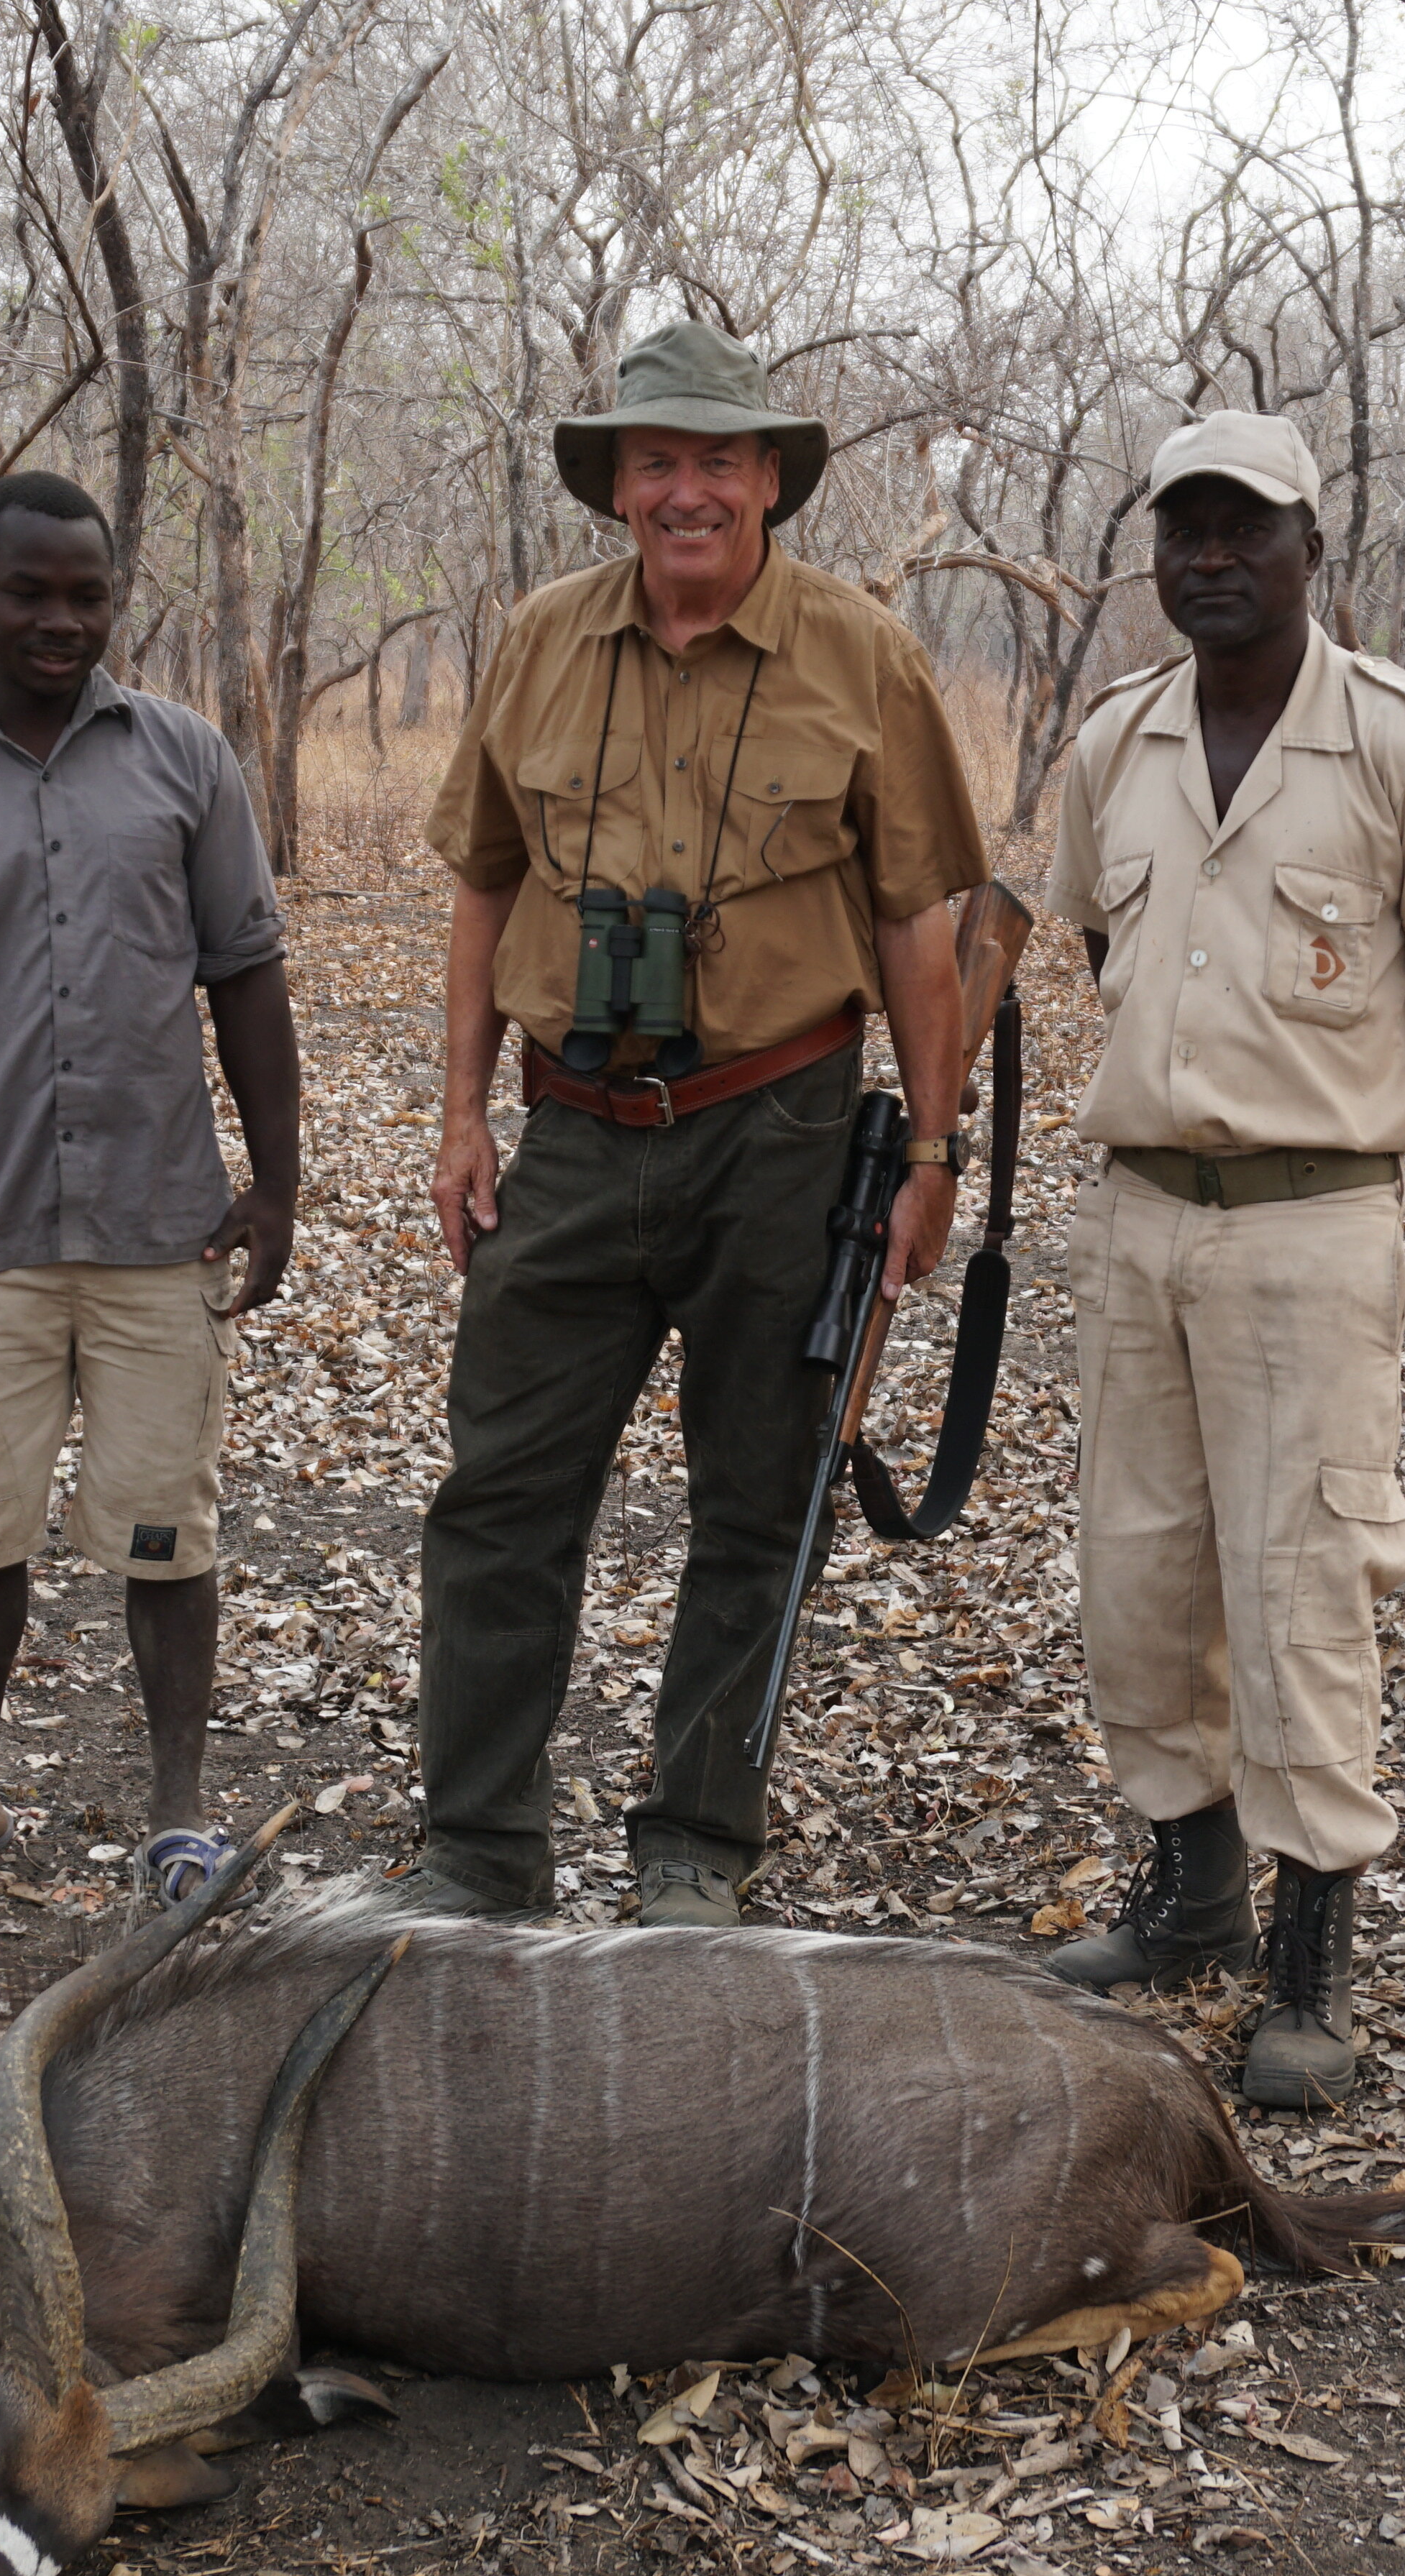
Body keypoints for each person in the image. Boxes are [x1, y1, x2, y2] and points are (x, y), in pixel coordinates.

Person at [410, 318, 990, 1926]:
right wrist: (460, 1111)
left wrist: (932, 1155)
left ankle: (695, 1845)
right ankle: (477, 1849)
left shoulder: (862, 653)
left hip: (780, 1130)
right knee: (502, 1494)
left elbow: (921, 922)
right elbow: (480, 880)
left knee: (760, 1494)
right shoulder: (537, 640)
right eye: (657, 461)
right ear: (615, 485)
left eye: (718, 462)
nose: (687, 492)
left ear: (768, 483)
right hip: (575, 1131)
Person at [1035, 411, 1405, 2109]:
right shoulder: (1115, 742)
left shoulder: (1402, 740)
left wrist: (1323, 1097)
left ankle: (1308, 1965)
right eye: (1185, 532)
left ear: (1314, 548)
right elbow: (1101, 934)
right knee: (1141, 1564)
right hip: (1141, 1216)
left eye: (1245, 530)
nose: (1211, 560)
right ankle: (1186, 1903)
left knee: (1305, 1579)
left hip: (1317, 1226)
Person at [0, 469, 300, 1906]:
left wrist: (277, 1181)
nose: (58, 619)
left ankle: (179, 1810)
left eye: (86, 595)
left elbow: (248, 973)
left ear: (116, 601)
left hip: (162, 1217)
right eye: (28, 591)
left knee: (167, 1521)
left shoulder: (185, 762)